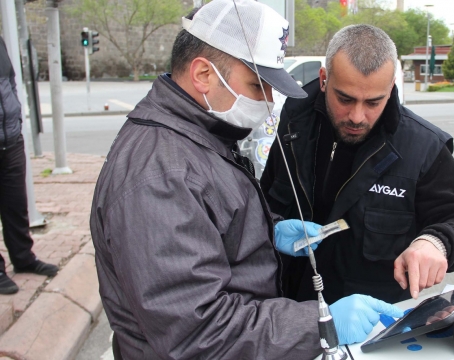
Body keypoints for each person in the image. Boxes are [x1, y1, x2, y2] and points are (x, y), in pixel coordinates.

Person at [89, 1, 403, 359]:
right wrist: (318, 323)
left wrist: (268, 231)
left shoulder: (199, 135)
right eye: (257, 85)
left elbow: (207, 224)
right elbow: (197, 332)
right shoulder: (160, 176)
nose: (269, 101)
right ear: (204, 74)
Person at [260, 24, 454, 305]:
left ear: (390, 89)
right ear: (324, 78)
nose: (357, 116)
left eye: (373, 102)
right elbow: (262, 199)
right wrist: (273, 226)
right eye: (345, 99)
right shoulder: (294, 123)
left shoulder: (424, 147)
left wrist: (435, 243)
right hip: (283, 312)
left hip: (369, 330)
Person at [0, 36, 59, 295]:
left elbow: (10, 82)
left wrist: (16, 124)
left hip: (11, 139)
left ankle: (23, 258)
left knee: (16, 204)